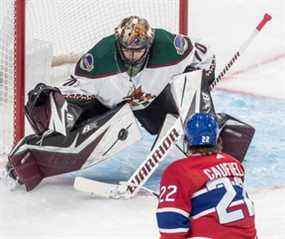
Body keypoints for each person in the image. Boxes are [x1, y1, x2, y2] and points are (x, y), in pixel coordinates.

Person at [2, 15, 218, 191]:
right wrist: (60, 105)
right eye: (127, 50)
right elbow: (75, 88)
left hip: (152, 101)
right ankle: (28, 158)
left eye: (138, 50)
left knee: (189, 114)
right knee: (81, 144)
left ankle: (214, 145)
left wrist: (199, 84)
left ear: (150, 45)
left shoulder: (171, 48)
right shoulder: (99, 59)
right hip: (108, 105)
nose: (133, 56)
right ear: (118, 44)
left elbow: (206, 56)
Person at [156, 113, 257, 239]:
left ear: (186, 140)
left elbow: (171, 228)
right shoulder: (234, 163)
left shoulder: (178, 170)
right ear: (218, 138)